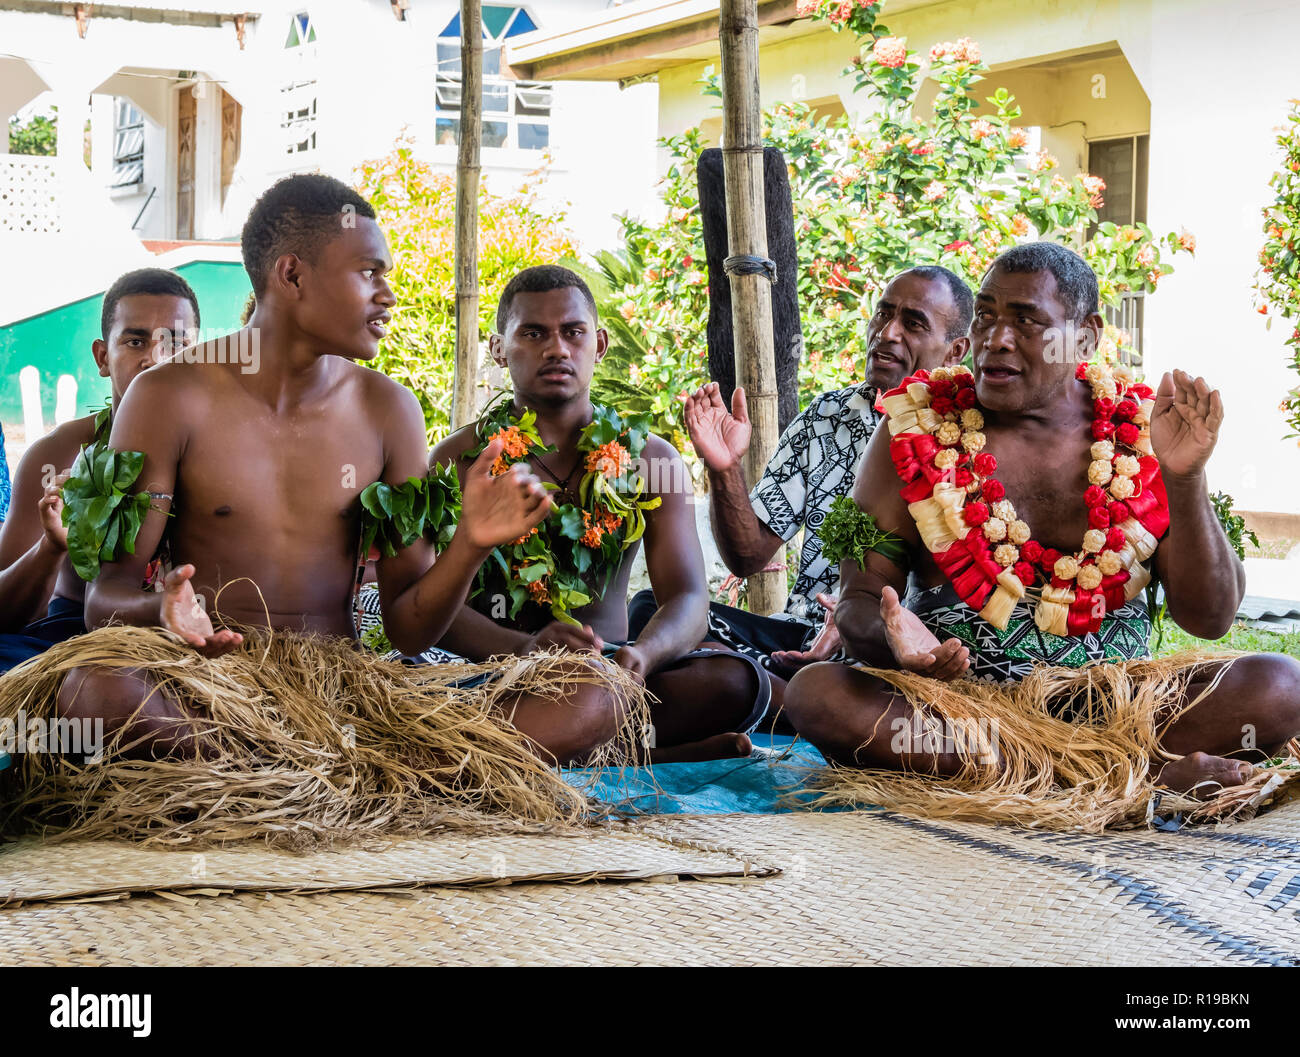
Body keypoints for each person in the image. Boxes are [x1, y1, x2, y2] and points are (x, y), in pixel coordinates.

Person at [0, 175, 639, 844]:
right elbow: (106, 599)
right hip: (210, 688)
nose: (388, 294)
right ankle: (367, 783)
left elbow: (409, 629)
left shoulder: (389, 410)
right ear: (292, 275)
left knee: (596, 692)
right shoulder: (168, 397)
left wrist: (471, 543)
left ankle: (289, 779)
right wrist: (160, 611)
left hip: (345, 691)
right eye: (369, 273)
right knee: (92, 688)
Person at [782, 241, 1300, 827]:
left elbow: (1210, 618)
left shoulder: (1141, 432)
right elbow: (857, 599)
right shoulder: (914, 427)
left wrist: (1185, 479)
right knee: (817, 695)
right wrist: (895, 639)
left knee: (1280, 686)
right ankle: (1136, 779)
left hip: (1118, 705)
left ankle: (1063, 777)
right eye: (985, 315)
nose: (996, 339)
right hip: (961, 713)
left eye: (1027, 321)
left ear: (1086, 336)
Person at [431, 265, 767, 762]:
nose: (556, 349)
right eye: (533, 333)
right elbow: (429, 607)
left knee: (736, 682)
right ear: (499, 350)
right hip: (491, 676)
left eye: (573, 332)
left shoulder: (650, 459)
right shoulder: (459, 460)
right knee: (443, 703)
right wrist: (523, 652)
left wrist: (643, 657)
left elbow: (689, 597)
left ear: (600, 344)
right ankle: (634, 751)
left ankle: (574, 741)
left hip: (614, 675)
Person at [648, 266, 973, 714]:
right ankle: (776, 692)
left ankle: (777, 696)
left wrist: (857, 621)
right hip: (798, 639)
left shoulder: (968, 440)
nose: (887, 333)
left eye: (913, 323)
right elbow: (747, 556)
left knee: (717, 676)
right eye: (883, 314)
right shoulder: (828, 416)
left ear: (956, 350)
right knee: (654, 612)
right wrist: (724, 468)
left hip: (895, 655)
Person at [0, 268, 198, 674]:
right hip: (64, 647)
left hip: (192, 647)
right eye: (136, 340)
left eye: (176, 342)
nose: (157, 358)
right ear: (102, 357)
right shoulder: (58, 454)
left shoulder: (225, 451)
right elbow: (4, 614)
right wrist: (51, 549)